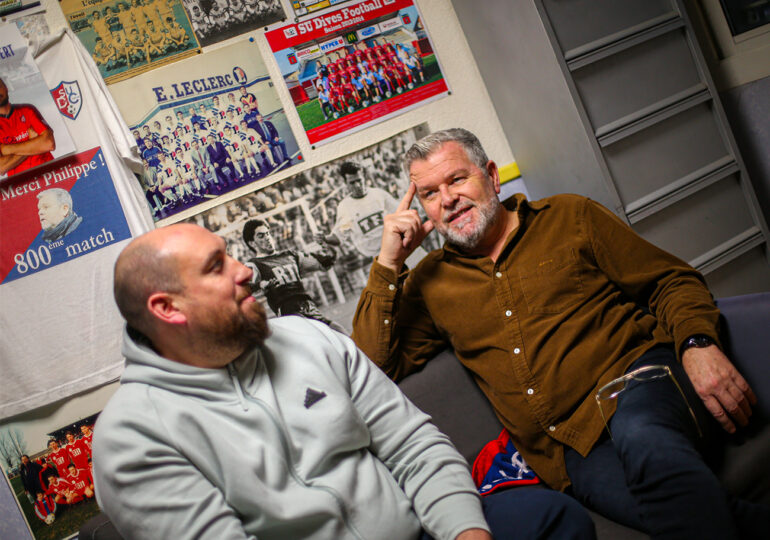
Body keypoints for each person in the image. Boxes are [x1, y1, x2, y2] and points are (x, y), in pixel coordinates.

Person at [351, 128, 770, 539]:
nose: (447, 199)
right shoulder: (430, 283)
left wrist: (698, 344)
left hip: (637, 383)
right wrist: (389, 263)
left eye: (457, 178)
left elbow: (671, 282)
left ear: (492, 176)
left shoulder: (570, 216)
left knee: (647, 444)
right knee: (677, 510)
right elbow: (369, 364)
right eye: (429, 193)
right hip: (569, 449)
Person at [92, 222, 594, 540]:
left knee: (556, 518)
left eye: (232, 254)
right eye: (216, 267)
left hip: (418, 529)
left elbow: (413, 444)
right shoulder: (131, 438)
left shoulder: (307, 338)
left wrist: (465, 533)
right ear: (167, 308)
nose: (246, 271)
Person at [241, 218, 345, 332]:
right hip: (288, 314)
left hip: (309, 307)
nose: (267, 238)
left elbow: (325, 263)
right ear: (252, 243)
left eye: (268, 233)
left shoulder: (290, 255)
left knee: (338, 330)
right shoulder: (254, 264)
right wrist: (260, 285)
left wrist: (325, 243)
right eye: (261, 236)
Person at [0, 78, 56, 176]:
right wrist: (33, 142)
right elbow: (1, 167)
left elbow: (48, 143)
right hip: (24, 186)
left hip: (50, 174)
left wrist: (8, 149)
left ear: (6, 88)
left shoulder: (27, 110)